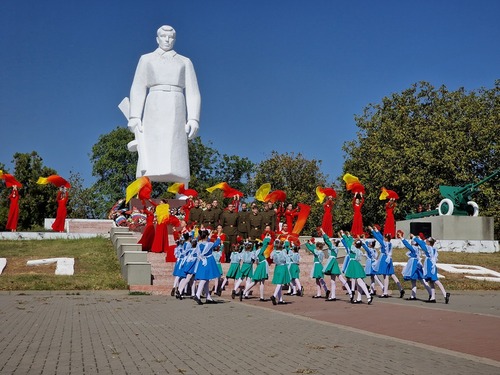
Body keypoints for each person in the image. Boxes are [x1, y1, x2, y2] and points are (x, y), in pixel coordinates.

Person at [127, 25, 201, 182]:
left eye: (171, 37)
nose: (167, 40)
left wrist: (193, 118)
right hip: (154, 103)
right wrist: (134, 116)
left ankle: (181, 187)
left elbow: (193, 92)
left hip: (176, 103)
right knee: (151, 148)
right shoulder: (146, 59)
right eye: (163, 36)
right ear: (157, 38)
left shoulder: (185, 61)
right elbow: (138, 87)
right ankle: (144, 187)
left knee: (176, 150)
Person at [413, 234, 450, 304]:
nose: (425, 242)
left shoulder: (429, 248)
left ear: (429, 243)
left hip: (430, 265)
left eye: (427, 241)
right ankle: (433, 297)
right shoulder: (433, 249)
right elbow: (423, 243)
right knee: (431, 281)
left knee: (435, 280)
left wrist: (415, 238)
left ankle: (445, 294)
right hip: (431, 265)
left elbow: (422, 244)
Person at [369, 226, 405, 298]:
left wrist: (372, 231)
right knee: (392, 274)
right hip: (389, 259)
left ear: (385, 238)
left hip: (384, 259)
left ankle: (385, 292)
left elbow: (378, 238)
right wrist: (376, 231)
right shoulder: (389, 243)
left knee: (385, 275)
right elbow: (380, 237)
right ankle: (400, 288)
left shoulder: (384, 243)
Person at [397, 232, 432, 301]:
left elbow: (407, 245)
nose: (412, 241)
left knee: (420, 279)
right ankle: (413, 295)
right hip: (416, 263)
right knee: (414, 280)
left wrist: (401, 238)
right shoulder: (417, 248)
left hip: (414, 264)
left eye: (413, 241)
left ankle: (431, 293)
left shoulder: (414, 248)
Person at [320, 228, 352, 301]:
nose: (331, 241)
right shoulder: (334, 247)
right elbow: (327, 241)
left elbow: (327, 241)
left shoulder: (333, 247)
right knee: (333, 280)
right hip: (333, 262)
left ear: (334, 243)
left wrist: (323, 232)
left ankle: (350, 293)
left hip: (332, 262)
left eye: (332, 241)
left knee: (339, 278)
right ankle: (334, 295)